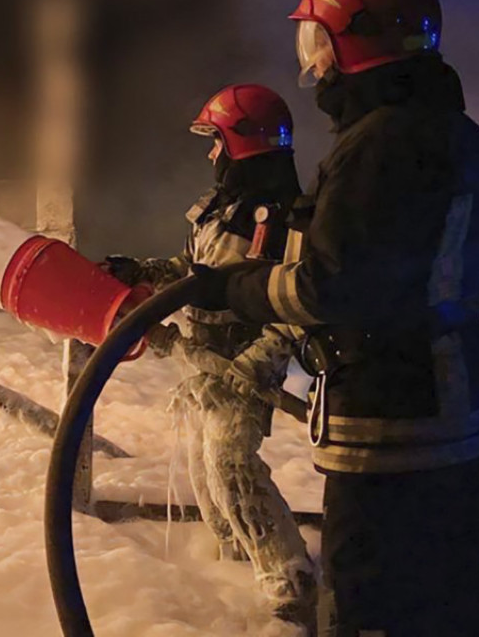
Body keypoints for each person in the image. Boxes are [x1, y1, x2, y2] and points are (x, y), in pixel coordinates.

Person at [191, 0, 479, 636]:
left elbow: (330, 286)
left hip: (397, 418)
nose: (315, 65)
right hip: (454, 407)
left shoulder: (379, 145)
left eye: (321, 42)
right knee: (451, 593)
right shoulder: (455, 133)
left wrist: (235, 289)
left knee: (372, 602)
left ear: (361, 39)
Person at [106, 83, 316, 627]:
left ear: (242, 144)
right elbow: (192, 270)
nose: (210, 154)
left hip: (245, 363)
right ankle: (234, 561)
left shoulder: (287, 221)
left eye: (216, 141)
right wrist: (145, 272)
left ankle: (290, 578)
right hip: (203, 362)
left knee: (231, 463)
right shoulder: (220, 208)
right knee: (205, 472)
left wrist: (250, 367)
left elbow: (295, 310)